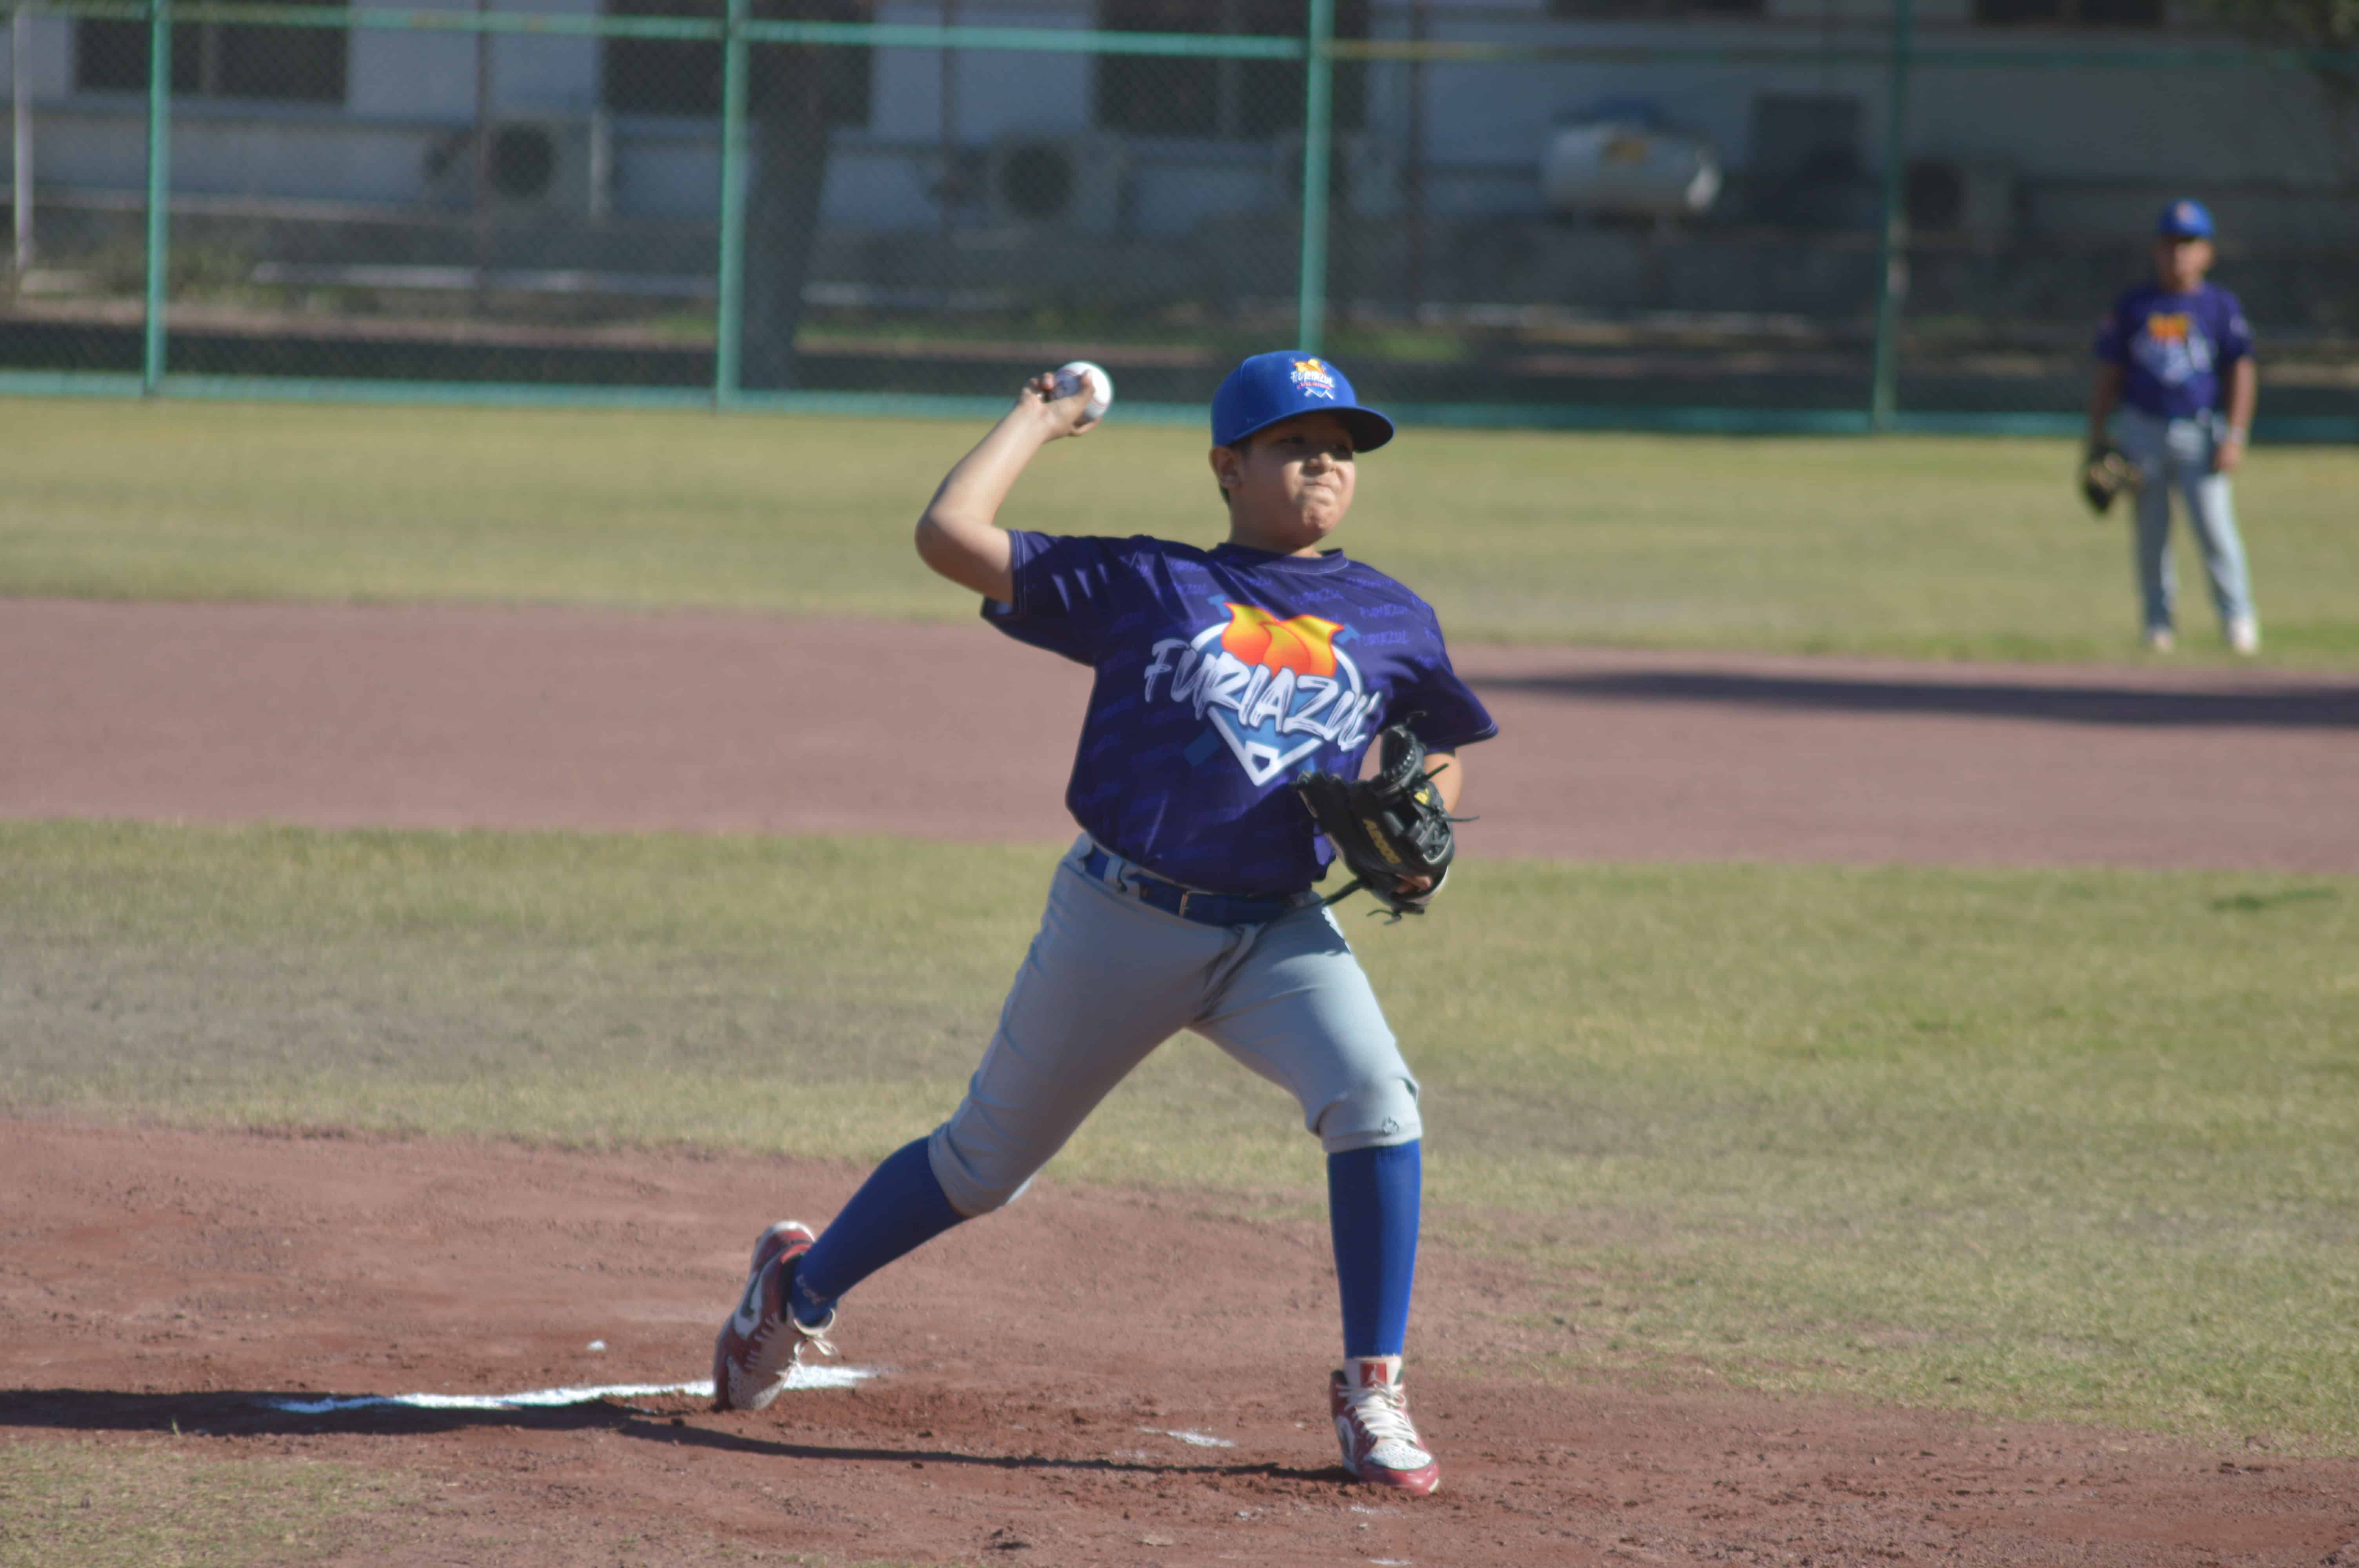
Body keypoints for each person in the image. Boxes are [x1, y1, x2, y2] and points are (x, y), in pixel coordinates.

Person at [709, 351, 1498, 1495]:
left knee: (1377, 1101)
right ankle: (799, 1287)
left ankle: (1371, 1391)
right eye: (1295, 442)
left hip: (1275, 935)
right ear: (1228, 466)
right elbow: (950, 535)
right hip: (1122, 919)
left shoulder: (1390, 612)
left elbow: (1441, 739)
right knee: (982, 1166)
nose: (1325, 461)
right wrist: (1038, 418)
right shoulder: (1148, 583)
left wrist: (1429, 821)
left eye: (1343, 446)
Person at [2086, 198, 2262, 655]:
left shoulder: (2220, 307)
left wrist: (2235, 435)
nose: (2178, 253)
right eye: (2170, 243)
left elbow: (2240, 372)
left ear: (2207, 252)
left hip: (2200, 432)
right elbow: (2110, 372)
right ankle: (2157, 624)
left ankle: (2238, 619)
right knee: (2150, 535)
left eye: (2189, 243)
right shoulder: (2135, 305)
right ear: (2156, 250)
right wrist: (2098, 435)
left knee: (2216, 530)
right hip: (2142, 430)